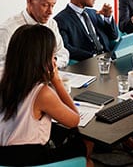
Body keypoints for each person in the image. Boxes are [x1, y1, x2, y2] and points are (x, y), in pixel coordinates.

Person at [0, 24, 93, 166]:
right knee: (86, 145)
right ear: (42, 59)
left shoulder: (4, 78)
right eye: (52, 55)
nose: (54, 60)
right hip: (29, 159)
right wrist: (57, 81)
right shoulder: (42, 93)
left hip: (4, 154)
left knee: (59, 133)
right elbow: (74, 120)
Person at [0, 0, 69, 74]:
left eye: (53, 5)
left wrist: (51, 63)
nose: (50, 11)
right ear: (30, 1)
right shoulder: (8, 29)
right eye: (45, 5)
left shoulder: (51, 24)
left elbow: (63, 54)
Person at [54, 0, 119, 61]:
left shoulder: (94, 13)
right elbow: (66, 48)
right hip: (87, 63)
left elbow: (114, 36)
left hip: (108, 59)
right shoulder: (61, 20)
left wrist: (107, 17)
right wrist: (93, 56)